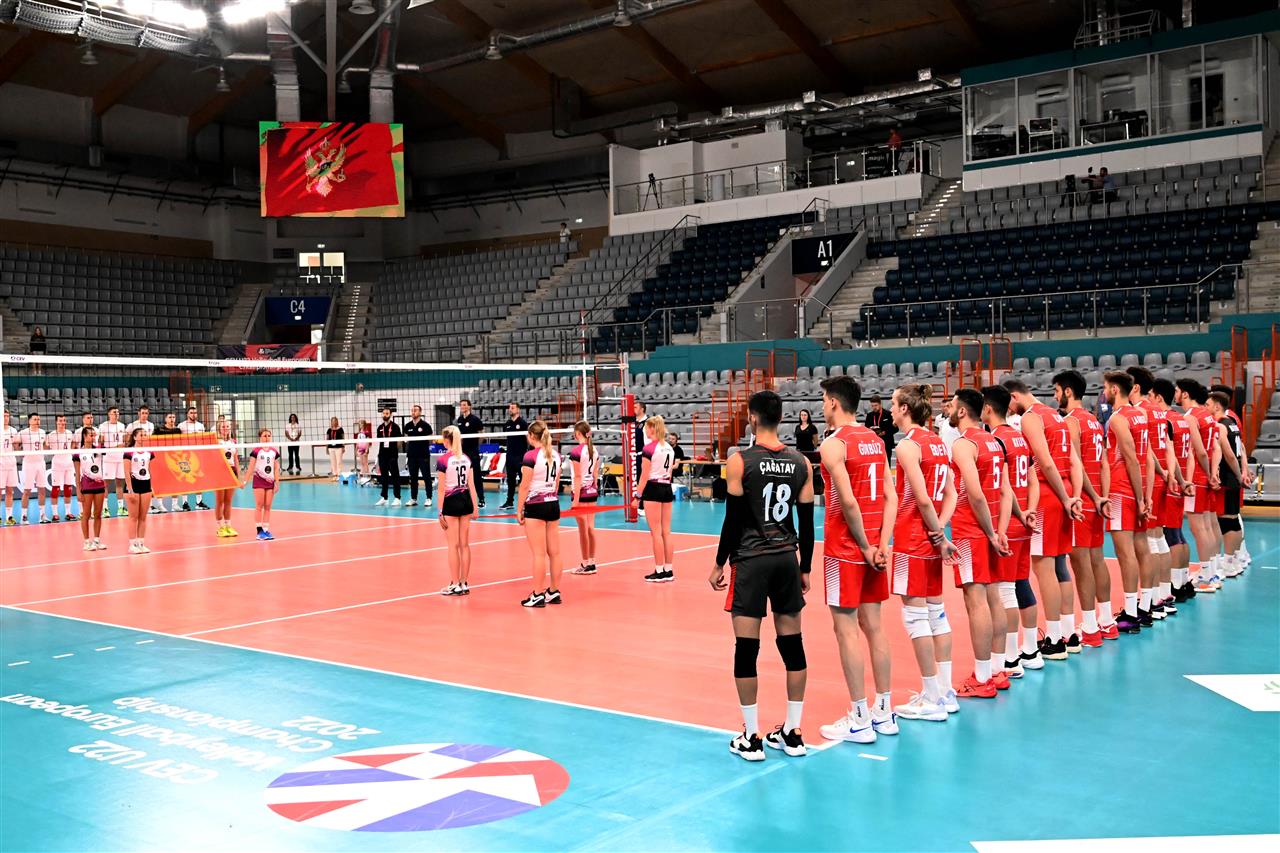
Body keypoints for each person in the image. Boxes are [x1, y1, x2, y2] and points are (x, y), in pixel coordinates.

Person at [709, 390, 815, 761]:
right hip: (786, 559)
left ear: (753, 418)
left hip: (751, 561)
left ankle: (752, 737)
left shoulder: (739, 461)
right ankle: (794, 732)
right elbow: (806, 523)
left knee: (746, 648)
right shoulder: (802, 462)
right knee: (793, 645)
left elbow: (733, 519)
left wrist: (719, 562)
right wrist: (805, 567)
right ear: (782, 418)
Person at [815, 376, 900, 745]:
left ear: (834, 402)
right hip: (875, 547)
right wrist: (882, 544)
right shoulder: (875, 440)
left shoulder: (833, 444)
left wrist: (865, 546)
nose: (822, 406)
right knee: (875, 627)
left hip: (846, 549)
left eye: (824, 400)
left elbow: (848, 501)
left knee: (846, 630)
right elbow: (891, 496)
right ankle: (884, 711)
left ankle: (860, 718)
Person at [889, 384, 959, 721]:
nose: (890, 409)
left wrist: (937, 534)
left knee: (916, 618)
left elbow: (923, 498)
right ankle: (945, 692)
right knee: (936, 614)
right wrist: (940, 532)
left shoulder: (908, 446)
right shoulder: (939, 443)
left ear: (905, 408)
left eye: (893, 404)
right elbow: (952, 494)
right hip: (930, 539)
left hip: (912, 538)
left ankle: (931, 698)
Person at [1003, 378, 1084, 660]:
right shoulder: (1057, 417)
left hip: (1048, 493)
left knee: (1044, 567)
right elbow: (1074, 461)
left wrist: (1063, 497)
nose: (1008, 409)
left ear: (1014, 396)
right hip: (1066, 489)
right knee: (1061, 565)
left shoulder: (1031, 418)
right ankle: (1069, 633)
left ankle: (1053, 639)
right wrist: (1074, 496)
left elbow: (1045, 461)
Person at [947, 389, 1013, 698]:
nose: (948, 409)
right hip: (992, 527)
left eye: (952, 405)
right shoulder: (994, 442)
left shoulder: (964, 444)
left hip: (972, 531)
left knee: (977, 603)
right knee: (993, 598)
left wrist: (989, 533)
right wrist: (999, 531)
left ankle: (983, 677)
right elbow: (1005, 492)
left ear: (962, 411)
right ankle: (997, 670)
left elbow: (975, 494)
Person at [982, 385, 1043, 675]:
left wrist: (1002, 527)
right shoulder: (1019, 437)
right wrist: (1030, 511)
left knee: (1005, 591)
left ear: (988, 408)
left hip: (1006, 521)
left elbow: (1003, 489)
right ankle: (1030, 650)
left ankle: (1010, 658)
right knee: (1021, 583)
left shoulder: (995, 441)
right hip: (1023, 521)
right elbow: (1033, 480)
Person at [1058, 370, 1114, 646]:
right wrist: (1103, 497)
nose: (1055, 395)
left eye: (1057, 391)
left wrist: (1089, 495)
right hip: (1095, 499)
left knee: (1081, 566)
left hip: (1081, 500)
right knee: (1097, 560)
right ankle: (1107, 621)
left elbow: (1076, 465)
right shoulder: (1093, 421)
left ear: (1068, 392)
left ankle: (1090, 627)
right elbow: (1103, 463)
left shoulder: (1070, 422)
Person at [1103, 371, 1151, 634]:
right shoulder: (1140, 415)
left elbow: (1131, 457)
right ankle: (1144, 607)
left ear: (1114, 389)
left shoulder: (1118, 418)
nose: (1103, 393)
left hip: (1122, 490)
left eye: (1105, 388)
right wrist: (1146, 495)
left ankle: (1131, 614)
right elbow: (1148, 457)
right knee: (1142, 548)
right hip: (1137, 488)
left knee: (1126, 554)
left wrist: (1140, 497)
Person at [1129, 366, 1174, 621]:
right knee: (1159, 538)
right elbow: (1166, 447)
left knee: (1148, 541)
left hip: (1148, 479)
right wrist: (1170, 473)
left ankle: (1152, 601)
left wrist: (1159, 473)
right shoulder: (1159, 411)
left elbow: (1146, 453)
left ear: (1135, 387)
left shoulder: (1138, 413)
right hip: (1159, 476)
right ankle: (1162, 595)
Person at [1173, 379, 1221, 592]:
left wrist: (1208, 473)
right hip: (1207, 476)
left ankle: (1206, 577)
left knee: (1198, 528)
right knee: (1208, 525)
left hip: (1197, 477)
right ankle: (1212, 571)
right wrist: (1214, 472)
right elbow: (1216, 448)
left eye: (1177, 391)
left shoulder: (1190, 417)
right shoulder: (1207, 415)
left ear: (1185, 394)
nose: (1175, 394)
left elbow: (1199, 451)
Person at [517, 420, 563, 608]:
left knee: (539, 554)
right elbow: (557, 483)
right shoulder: (556, 455)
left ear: (531, 436)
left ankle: (537, 594)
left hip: (536, 506)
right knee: (555, 553)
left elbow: (525, 485)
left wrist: (519, 508)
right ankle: (554, 591)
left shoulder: (531, 456)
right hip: (553, 503)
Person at [1160, 378, 1195, 602]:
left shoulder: (1165, 421)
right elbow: (1189, 454)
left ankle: (1174, 585)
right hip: (1181, 480)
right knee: (1178, 534)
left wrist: (1173, 478)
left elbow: (1168, 452)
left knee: (1170, 536)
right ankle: (1182, 581)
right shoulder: (1181, 419)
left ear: (1157, 397)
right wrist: (1186, 481)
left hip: (1170, 481)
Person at [1207, 391, 1248, 580]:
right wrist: (1242, 471)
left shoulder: (1220, 425)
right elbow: (1242, 449)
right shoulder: (1232, 423)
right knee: (1232, 519)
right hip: (1233, 476)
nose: (1206, 408)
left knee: (1226, 521)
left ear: (1217, 406)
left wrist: (1239, 475)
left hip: (1227, 476)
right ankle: (1233, 561)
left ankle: (1229, 563)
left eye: (1208, 405)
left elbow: (1230, 454)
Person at [438, 425, 479, 597]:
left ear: (446, 440)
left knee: (453, 546)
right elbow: (472, 485)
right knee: (464, 545)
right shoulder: (467, 458)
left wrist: (440, 511)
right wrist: (475, 507)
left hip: (451, 502)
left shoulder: (443, 460)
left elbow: (441, 489)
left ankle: (455, 584)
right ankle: (463, 582)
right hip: (466, 501)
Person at [636, 414, 677, 583]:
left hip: (653, 488)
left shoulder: (649, 449)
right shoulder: (669, 448)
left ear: (652, 428)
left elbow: (644, 475)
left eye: (647, 428)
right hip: (666, 488)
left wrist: (637, 496)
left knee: (656, 532)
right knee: (666, 531)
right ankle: (668, 569)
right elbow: (670, 472)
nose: (645, 431)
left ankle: (659, 570)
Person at [569, 421, 601, 576]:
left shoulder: (576, 451)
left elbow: (577, 476)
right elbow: (595, 474)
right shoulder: (594, 450)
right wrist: (593, 488)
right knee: (591, 528)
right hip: (591, 491)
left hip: (581, 492)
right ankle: (592, 562)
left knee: (583, 530)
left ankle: (585, 563)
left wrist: (575, 500)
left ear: (577, 434)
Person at [73, 426, 107, 551]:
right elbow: (77, 474)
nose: (93, 437)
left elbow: (110, 448)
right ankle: (86, 542)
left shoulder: (99, 450)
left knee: (98, 514)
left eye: (94, 435)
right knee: (86, 515)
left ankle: (96, 540)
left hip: (99, 485)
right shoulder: (78, 453)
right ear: (84, 436)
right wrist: (78, 491)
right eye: (91, 435)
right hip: (86, 486)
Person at [122, 427, 153, 553]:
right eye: (141, 434)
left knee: (143, 517)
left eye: (145, 434)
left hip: (146, 484)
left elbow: (150, 470)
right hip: (133, 484)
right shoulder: (129, 452)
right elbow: (126, 472)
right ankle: (132, 545)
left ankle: (141, 543)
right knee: (133, 517)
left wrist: (152, 487)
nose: (144, 436)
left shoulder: (149, 452)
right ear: (135, 437)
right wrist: (130, 489)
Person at [247, 428, 279, 540]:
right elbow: (251, 467)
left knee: (268, 506)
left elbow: (276, 468)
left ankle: (265, 530)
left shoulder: (274, 451)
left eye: (269, 436)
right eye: (265, 436)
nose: (267, 438)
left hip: (270, 481)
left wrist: (277, 482)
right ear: (260, 437)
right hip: (259, 480)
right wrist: (245, 481)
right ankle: (259, 531)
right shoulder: (256, 450)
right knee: (259, 505)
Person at [17, 413, 48, 525]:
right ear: (29, 421)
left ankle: (42, 515)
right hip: (28, 464)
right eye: (35, 419)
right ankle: (24, 516)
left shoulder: (43, 432)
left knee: (42, 490)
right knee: (27, 491)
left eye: (38, 419)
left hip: (40, 463)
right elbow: (16, 444)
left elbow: (45, 445)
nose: (37, 421)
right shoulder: (23, 433)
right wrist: (21, 453)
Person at [46, 414, 78, 523]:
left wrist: (70, 450)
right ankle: (55, 514)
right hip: (57, 464)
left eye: (64, 420)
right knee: (56, 489)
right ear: (56, 422)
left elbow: (74, 443)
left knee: (68, 488)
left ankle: (68, 513)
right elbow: (46, 447)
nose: (62, 423)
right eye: (60, 421)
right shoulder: (51, 435)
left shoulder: (69, 433)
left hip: (69, 463)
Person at [178, 407, 210, 512]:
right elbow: (177, 440)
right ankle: (184, 503)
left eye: (195, 412)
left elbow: (204, 440)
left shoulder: (201, 426)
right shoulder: (181, 426)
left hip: (198, 455)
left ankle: (199, 502)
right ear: (187, 414)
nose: (193, 414)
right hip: (185, 456)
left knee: (198, 479)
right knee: (185, 479)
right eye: (191, 412)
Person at [403, 405, 434, 508]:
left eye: (415, 410)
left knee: (426, 477)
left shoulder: (425, 425)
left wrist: (422, 445)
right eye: (412, 410)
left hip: (423, 455)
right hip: (412, 455)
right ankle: (413, 498)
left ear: (420, 412)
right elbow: (405, 439)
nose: (413, 412)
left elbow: (431, 439)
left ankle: (429, 498)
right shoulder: (407, 426)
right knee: (413, 478)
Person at [100, 406, 128, 518]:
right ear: (109, 414)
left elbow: (125, 441)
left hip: (120, 458)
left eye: (117, 412)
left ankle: (120, 508)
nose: (116, 414)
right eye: (114, 412)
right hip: (108, 458)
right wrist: (116, 447)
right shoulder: (103, 426)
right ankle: (105, 508)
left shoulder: (122, 425)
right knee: (105, 484)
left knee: (120, 483)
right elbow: (101, 445)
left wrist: (125, 443)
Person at [215, 418, 241, 538]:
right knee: (220, 501)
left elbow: (236, 459)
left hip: (232, 471)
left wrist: (239, 476)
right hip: (220, 472)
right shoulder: (216, 441)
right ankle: (220, 527)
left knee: (228, 501)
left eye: (227, 426)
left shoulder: (233, 442)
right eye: (223, 427)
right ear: (219, 429)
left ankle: (228, 526)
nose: (225, 428)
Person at [457, 399, 485, 508]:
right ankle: (466, 499)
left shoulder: (475, 419)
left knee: (476, 476)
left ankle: (481, 499)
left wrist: (476, 446)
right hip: (462, 453)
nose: (462, 407)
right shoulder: (459, 419)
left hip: (473, 452)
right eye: (461, 405)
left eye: (464, 405)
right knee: (463, 477)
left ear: (469, 406)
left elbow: (482, 434)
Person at [500, 403, 529, 510]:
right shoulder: (507, 423)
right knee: (510, 480)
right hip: (510, 456)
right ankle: (509, 502)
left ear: (518, 410)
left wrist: (528, 453)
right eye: (509, 408)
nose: (510, 409)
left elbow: (528, 438)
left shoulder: (523, 423)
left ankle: (526, 503)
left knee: (524, 480)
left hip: (521, 456)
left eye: (512, 408)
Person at [152, 413, 181, 513]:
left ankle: (175, 504)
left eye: (173, 417)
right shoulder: (159, 430)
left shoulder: (178, 430)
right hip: (161, 458)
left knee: (175, 481)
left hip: (174, 458)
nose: (172, 419)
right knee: (161, 482)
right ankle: (160, 504)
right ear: (165, 419)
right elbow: (152, 442)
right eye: (170, 417)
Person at [374, 407, 402, 507]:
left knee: (395, 476)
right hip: (382, 455)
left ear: (390, 414)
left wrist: (393, 450)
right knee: (383, 477)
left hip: (392, 455)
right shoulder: (380, 428)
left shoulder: (395, 427)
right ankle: (384, 497)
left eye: (387, 413)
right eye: (384, 413)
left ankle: (397, 498)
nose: (385, 415)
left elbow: (399, 442)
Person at [1, 411, 20, 525]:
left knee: (9, 491)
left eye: (7, 416)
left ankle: (9, 517)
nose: (6, 418)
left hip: (11, 463)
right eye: (4, 416)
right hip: (0, 464)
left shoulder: (13, 431)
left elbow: (16, 447)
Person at [355, 420, 372, 484]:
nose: (360, 425)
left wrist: (367, 450)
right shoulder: (359, 433)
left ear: (364, 424)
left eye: (361, 423)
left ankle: (367, 476)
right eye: (359, 424)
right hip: (360, 449)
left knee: (365, 463)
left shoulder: (366, 432)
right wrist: (356, 450)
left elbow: (368, 442)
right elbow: (357, 442)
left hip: (364, 449)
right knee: (362, 463)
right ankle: (363, 475)